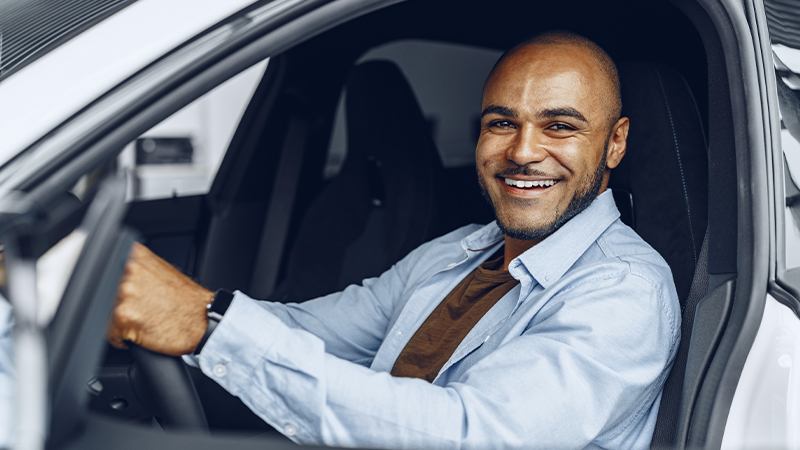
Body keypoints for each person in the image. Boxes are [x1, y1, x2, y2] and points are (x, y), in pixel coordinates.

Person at [108, 31, 680, 449]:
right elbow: (313, 332)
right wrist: (179, 308)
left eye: (560, 126)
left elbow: (470, 434)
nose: (523, 151)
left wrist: (205, 325)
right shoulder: (457, 254)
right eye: (502, 122)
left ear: (614, 143)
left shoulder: (624, 291)